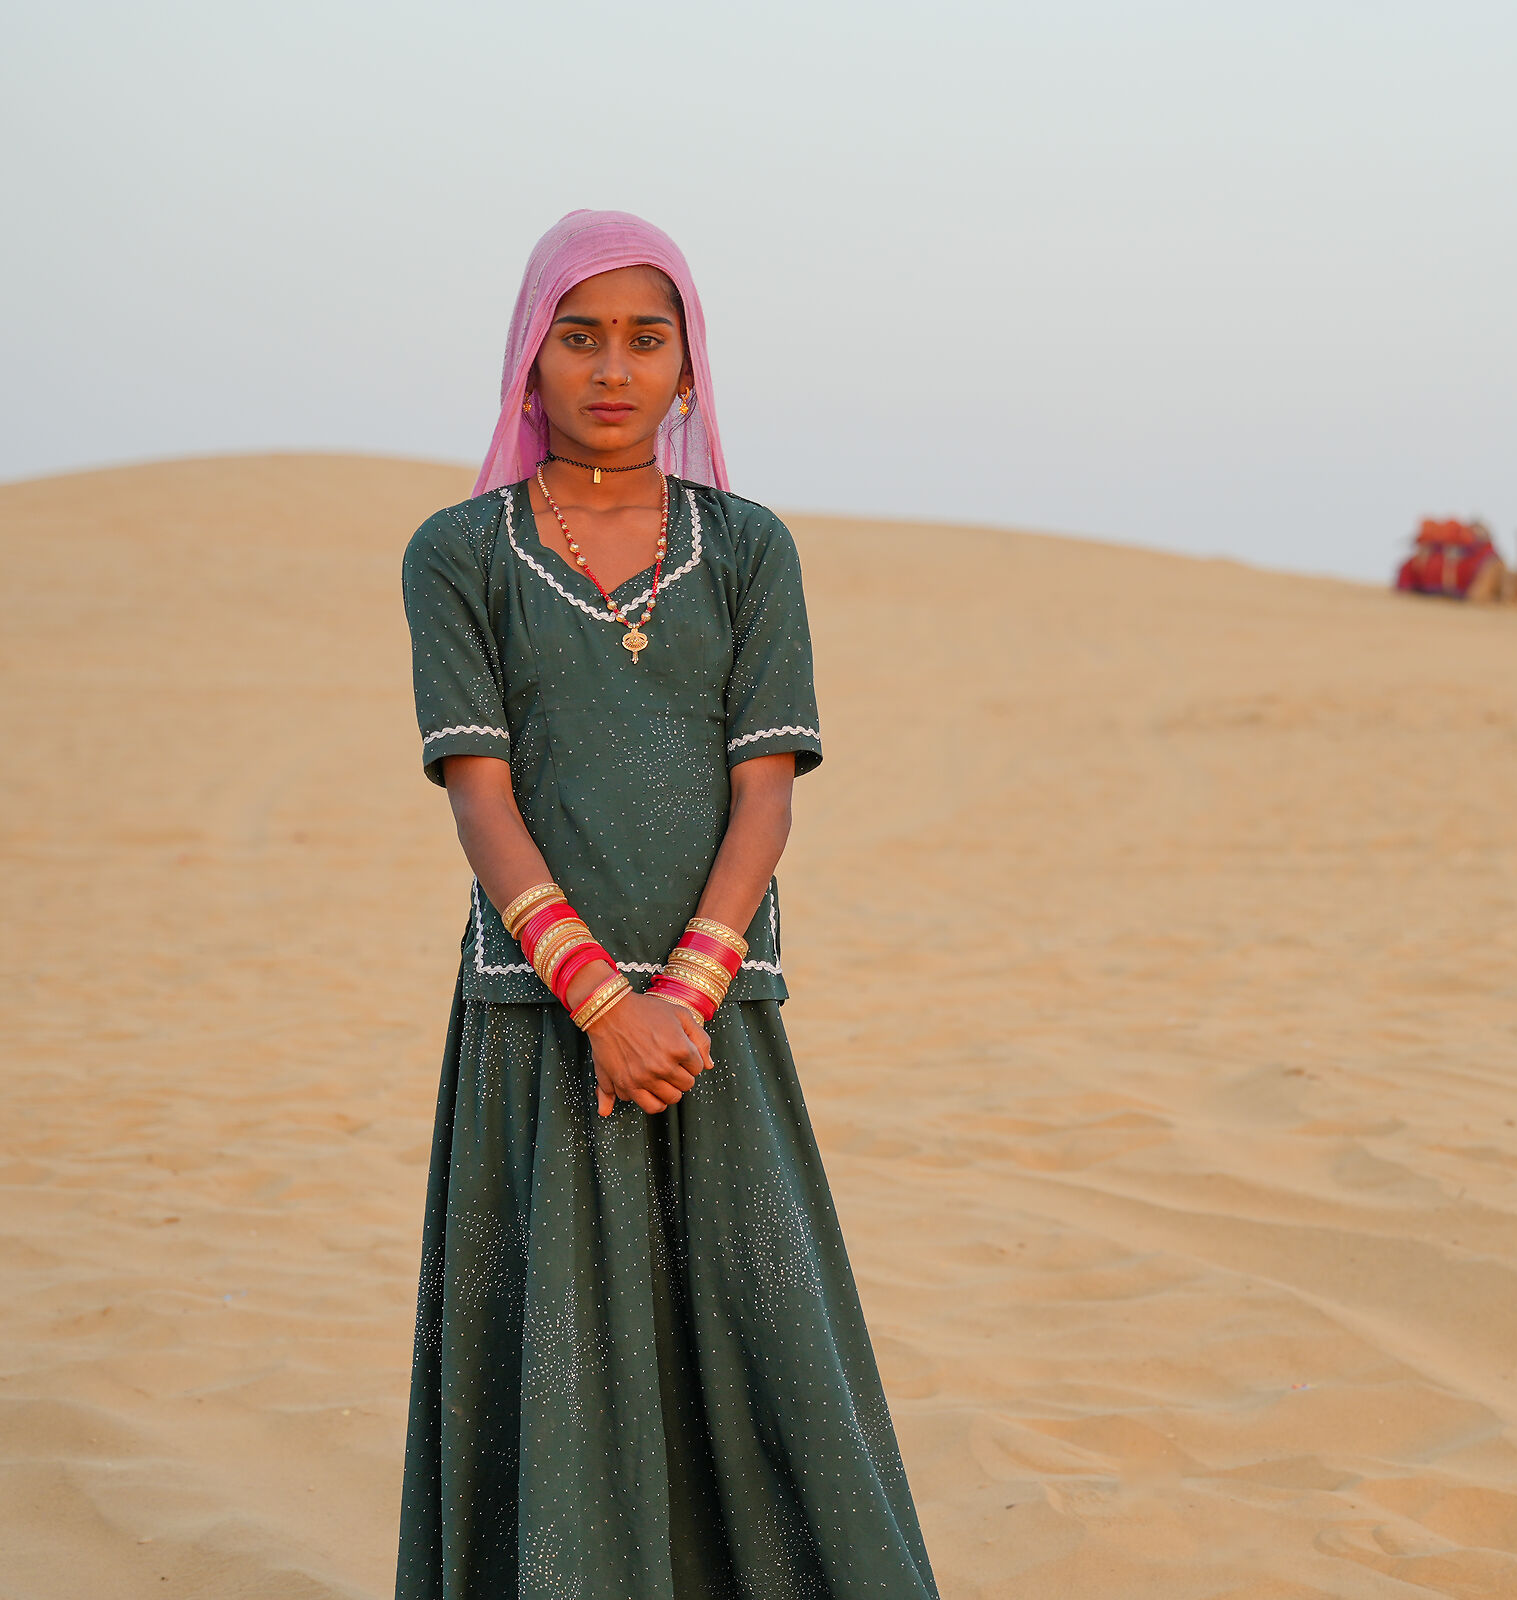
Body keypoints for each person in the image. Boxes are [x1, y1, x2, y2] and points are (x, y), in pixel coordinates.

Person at [398, 211, 940, 1598]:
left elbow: (767, 794)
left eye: (647, 339)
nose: (612, 369)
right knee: (558, 1350)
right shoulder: (457, 554)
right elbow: (480, 798)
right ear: (530, 357)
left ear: (691, 367)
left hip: (711, 1024)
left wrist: (674, 1003)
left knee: (765, 1341)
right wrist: (602, 1005)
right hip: (538, 1019)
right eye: (579, 336)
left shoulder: (748, 549)